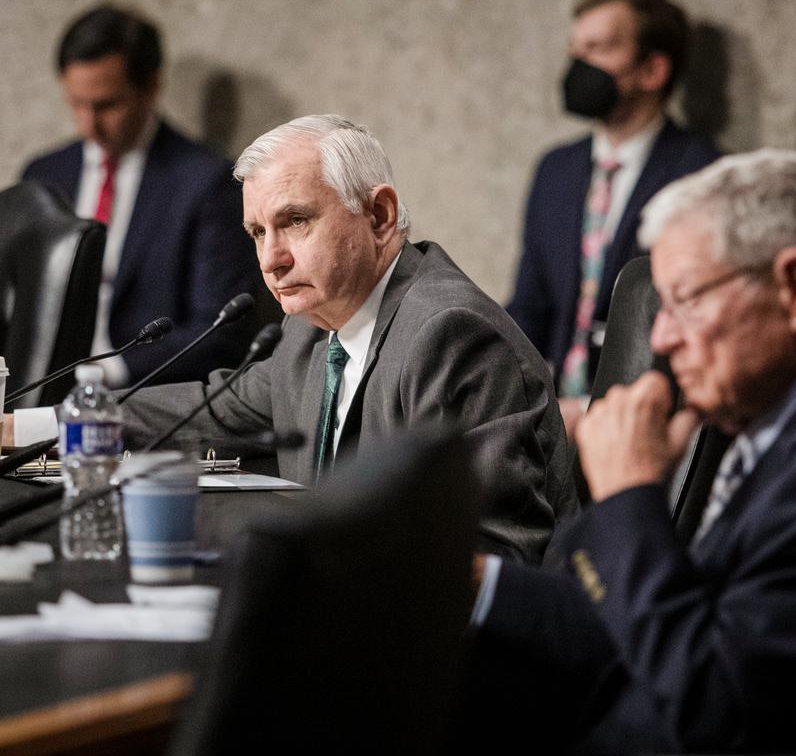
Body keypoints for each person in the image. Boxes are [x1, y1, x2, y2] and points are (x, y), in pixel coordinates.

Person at [464, 151, 796, 753]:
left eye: (685, 299)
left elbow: (716, 713)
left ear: (795, 289)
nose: (660, 337)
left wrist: (629, 498)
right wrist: (475, 583)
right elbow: (657, 629)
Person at [10, 115, 575, 564]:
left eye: (296, 221)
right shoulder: (310, 329)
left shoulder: (449, 335)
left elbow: (496, 560)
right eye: (258, 232)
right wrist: (27, 429)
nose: (271, 261)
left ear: (379, 215)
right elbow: (209, 408)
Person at [507, 0, 720, 434]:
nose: (578, 64)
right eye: (574, 49)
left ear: (652, 69)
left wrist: (596, 411)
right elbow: (531, 301)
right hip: (553, 417)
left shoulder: (703, 171)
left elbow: (695, 316)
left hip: (645, 418)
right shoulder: (556, 169)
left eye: (598, 48)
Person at [20, 4, 257, 386]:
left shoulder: (206, 181)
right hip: (34, 387)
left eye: (107, 105)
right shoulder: (44, 175)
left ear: (151, 87)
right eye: (77, 104)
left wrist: (103, 375)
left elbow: (219, 329)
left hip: (138, 394)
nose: (89, 124)